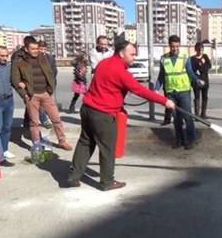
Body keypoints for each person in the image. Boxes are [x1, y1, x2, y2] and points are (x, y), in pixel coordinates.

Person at [66, 40, 176, 191]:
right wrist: (165, 101)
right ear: (121, 53)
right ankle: (107, 182)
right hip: (103, 114)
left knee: (85, 142)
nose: (134, 57)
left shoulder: (104, 63)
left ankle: (73, 176)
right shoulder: (121, 72)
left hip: (87, 109)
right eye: (132, 54)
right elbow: (140, 90)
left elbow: (105, 86)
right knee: (107, 148)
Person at [11, 38, 73, 151]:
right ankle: (37, 145)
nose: (36, 51)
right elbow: (15, 80)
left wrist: (51, 89)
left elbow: (51, 73)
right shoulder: (19, 62)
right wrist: (24, 94)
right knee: (34, 123)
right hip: (31, 96)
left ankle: (62, 141)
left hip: (46, 94)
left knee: (56, 119)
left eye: (37, 49)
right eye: (33, 49)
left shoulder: (43, 58)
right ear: (26, 49)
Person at [155, 35, 205, 150]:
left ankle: (192, 140)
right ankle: (179, 140)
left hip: (184, 92)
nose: (175, 49)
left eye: (177, 46)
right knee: (176, 119)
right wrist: (156, 89)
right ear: (169, 46)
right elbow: (161, 76)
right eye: (173, 47)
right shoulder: (164, 59)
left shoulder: (184, 57)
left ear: (180, 45)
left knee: (188, 117)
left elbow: (190, 73)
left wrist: (197, 80)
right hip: (170, 93)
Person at [12, 36, 52, 134]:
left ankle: (26, 122)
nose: (36, 50)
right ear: (26, 46)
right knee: (34, 105)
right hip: (27, 87)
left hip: (42, 87)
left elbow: (50, 70)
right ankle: (43, 120)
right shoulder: (18, 56)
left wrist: (50, 86)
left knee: (30, 107)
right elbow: (15, 75)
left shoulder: (40, 55)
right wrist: (22, 91)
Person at [190, 42, 212, 118]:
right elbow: (193, 70)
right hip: (197, 81)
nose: (200, 52)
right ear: (196, 50)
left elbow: (208, 67)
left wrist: (201, 65)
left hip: (205, 80)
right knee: (197, 97)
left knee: (205, 97)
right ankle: (197, 114)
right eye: (199, 50)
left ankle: (203, 113)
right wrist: (201, 66)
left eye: (202, 50)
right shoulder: (192, 59)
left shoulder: (205, 57)